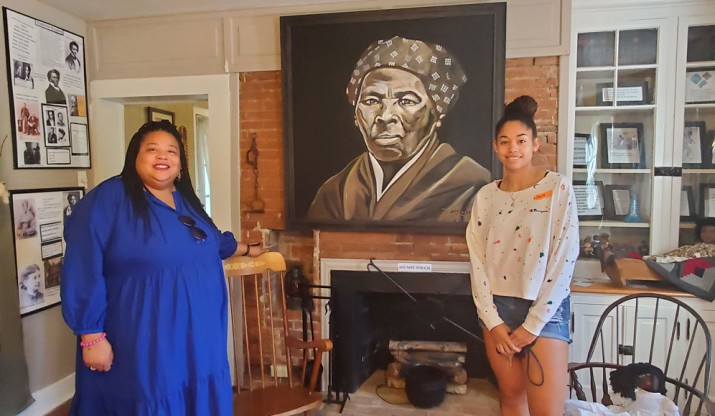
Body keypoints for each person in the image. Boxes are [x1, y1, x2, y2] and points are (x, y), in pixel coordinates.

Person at [60, 120, 263, 415]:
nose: (163, 157)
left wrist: (246, 248)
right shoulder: (109, 199)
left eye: (172, 151)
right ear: (135, 157)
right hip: (146, 337)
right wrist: (90, 334)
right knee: (150, 398)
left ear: (180, 163)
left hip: (199, 338)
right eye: (152, 149)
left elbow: (209, 241)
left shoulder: (186, 201)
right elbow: (81, 261)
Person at [466, 96, 579, 416]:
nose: (512, 148)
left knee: (546, 410)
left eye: (520, 141)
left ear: (535, 144)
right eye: (504, 141)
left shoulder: (557, 188)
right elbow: (477, 261)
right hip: (497, 309)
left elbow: (564, 258)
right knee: (512, 399)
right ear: (495, 146)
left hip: (546, 310)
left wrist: (533, 324)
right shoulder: (486, 196)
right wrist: (492, 320)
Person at [307, 36, 491, 222]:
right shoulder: (335, 192)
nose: (385, 116)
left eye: (406, 101)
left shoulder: (471, 185)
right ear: (356, 112)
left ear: (437, 113)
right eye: (372, 101)